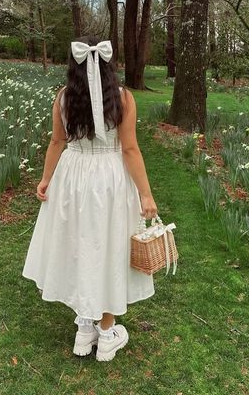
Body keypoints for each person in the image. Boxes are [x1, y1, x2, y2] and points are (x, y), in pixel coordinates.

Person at [22, 35, 158, 362]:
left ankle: (85, 329)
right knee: (110, 247)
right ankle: (106, 331)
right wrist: (146, 193)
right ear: (109, 66)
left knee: (78, 244)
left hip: (73, 178)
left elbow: (57, 142)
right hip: (110, 179)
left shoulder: (63, 98)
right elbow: (129, 148)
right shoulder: (123, 99)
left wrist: (46, 179)